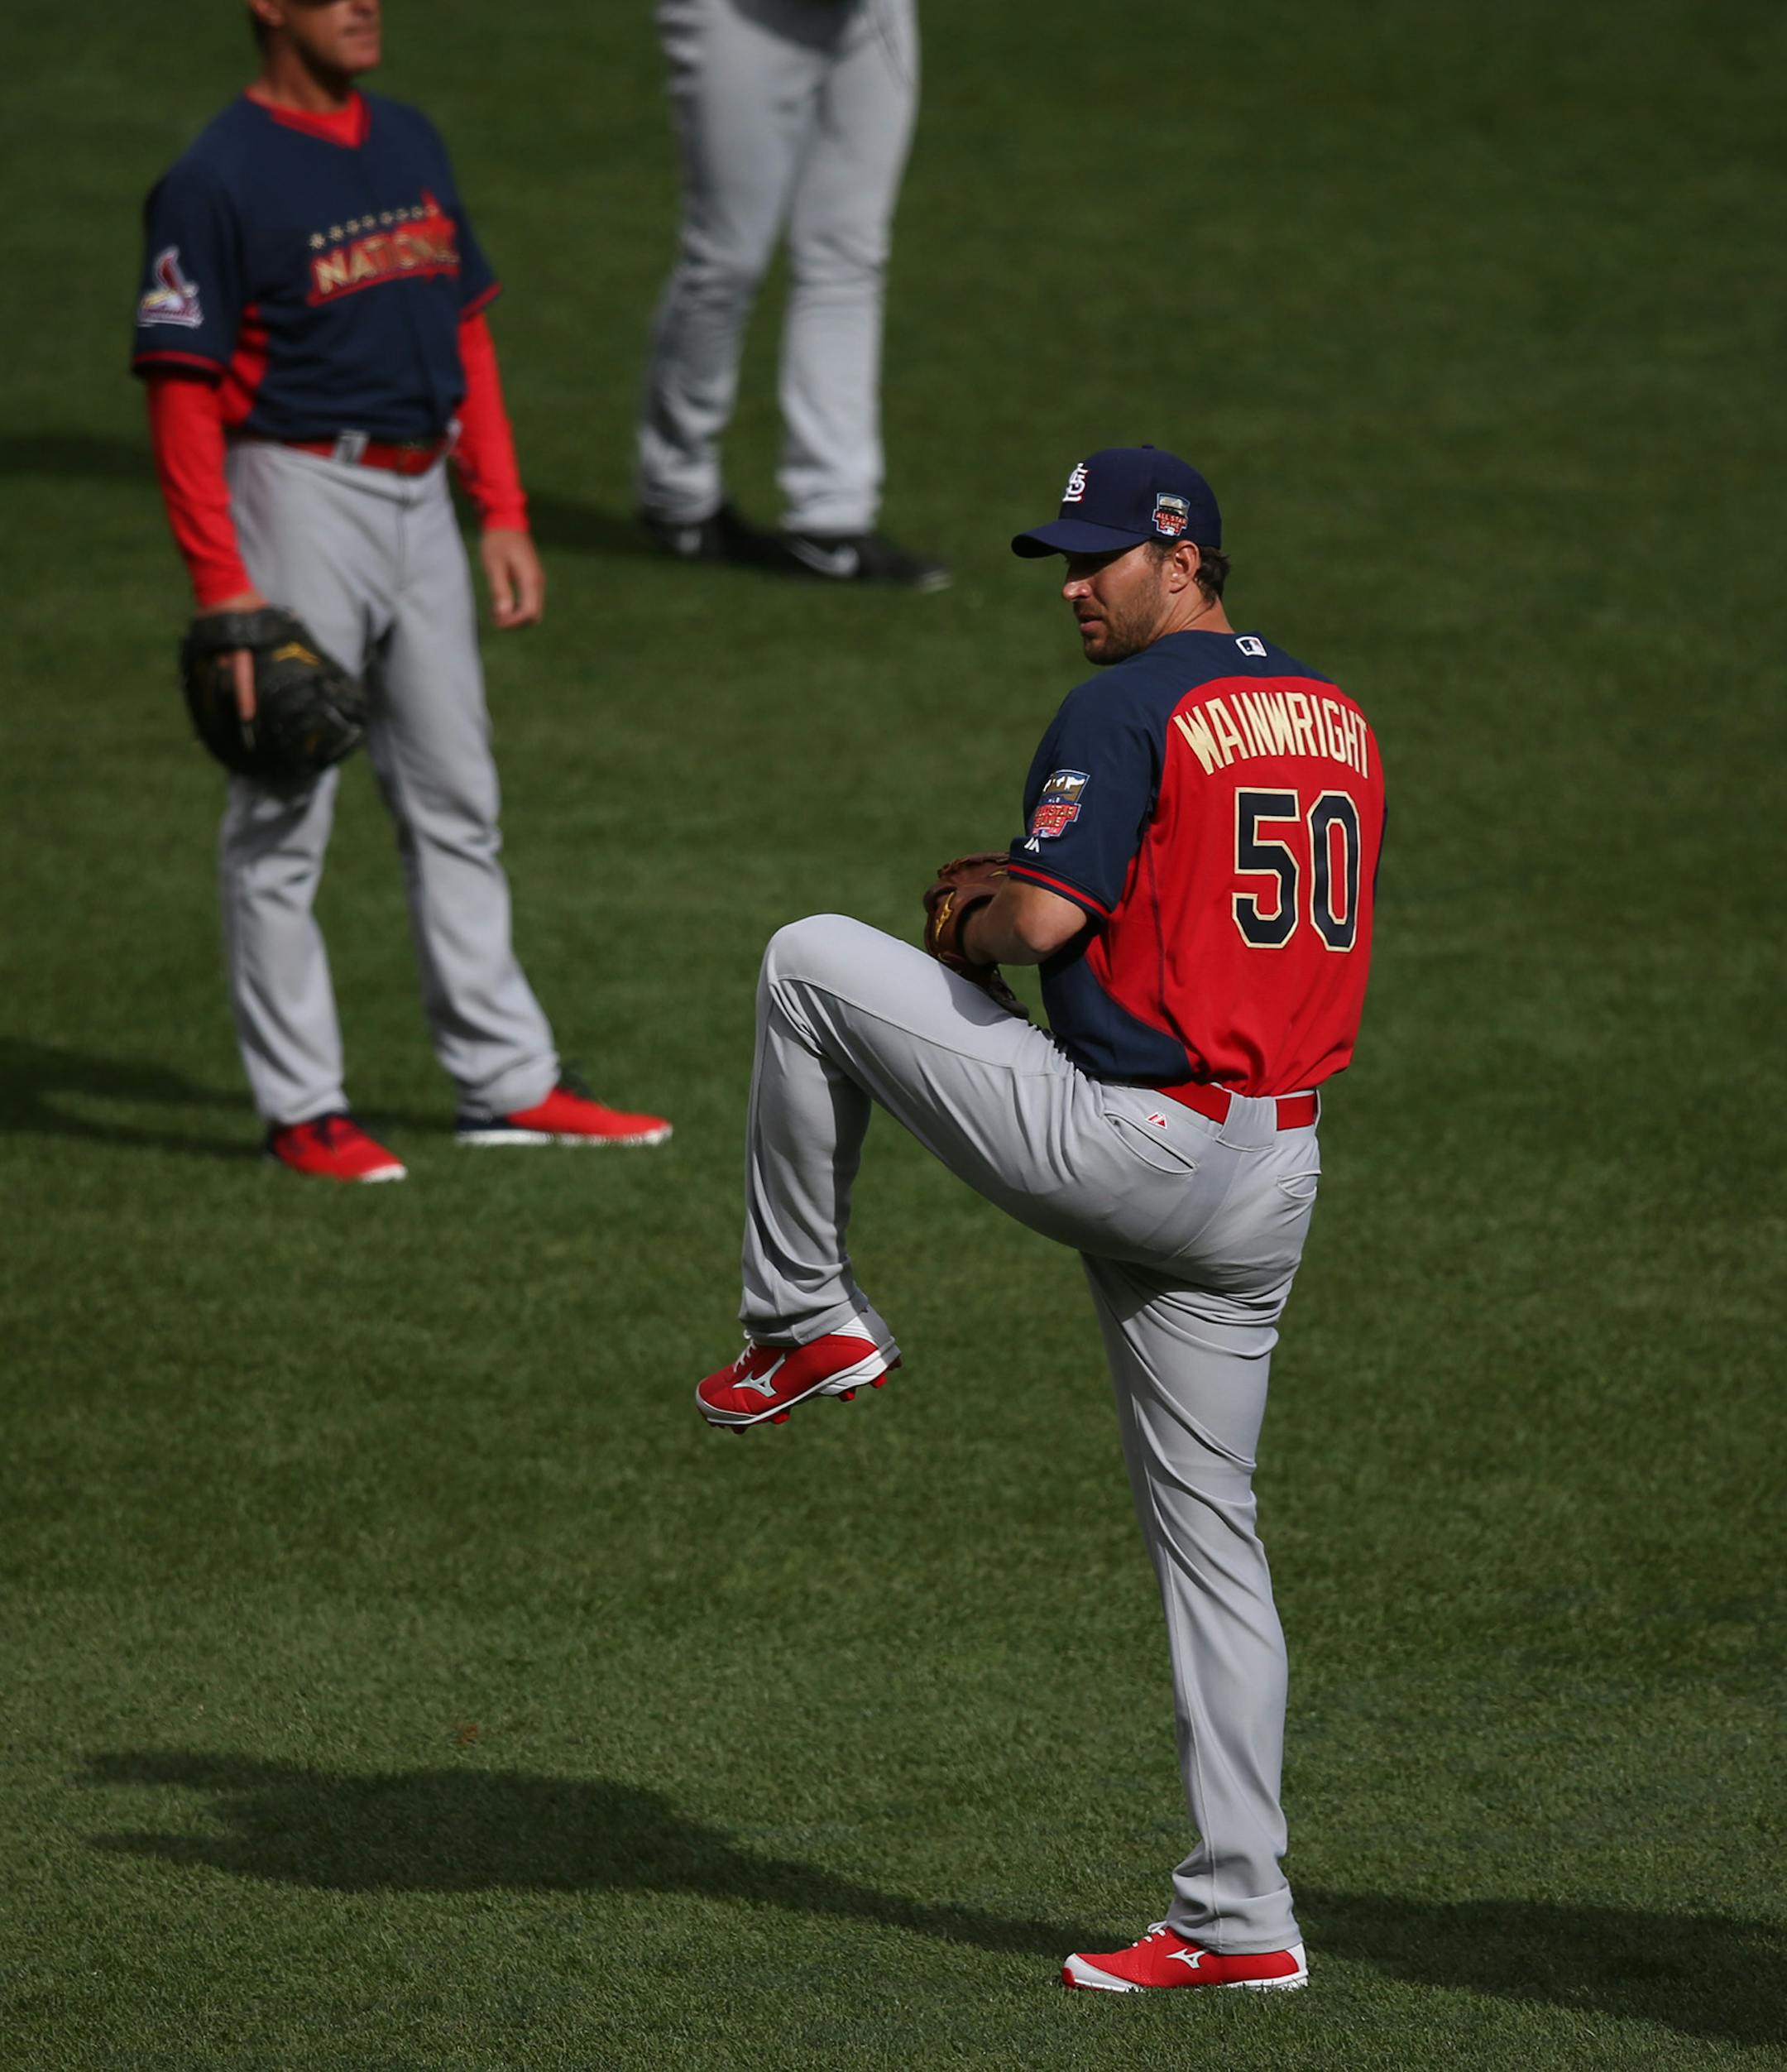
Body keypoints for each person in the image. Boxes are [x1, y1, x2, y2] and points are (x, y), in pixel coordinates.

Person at [692, 446, 1386, 1991]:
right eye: (1062, 559)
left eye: (1097, 560)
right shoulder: (1337, 713)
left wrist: (971, 921)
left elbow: (1048, 915)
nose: (1072, 584)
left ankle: (803, 1320)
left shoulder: (1127, 707)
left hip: (1138, 1139)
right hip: (1273, 1174)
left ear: (1182, 559)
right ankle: (1242, 1915)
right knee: (1216, 1544)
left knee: (810, 957)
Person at [132, 0, 669, 1182]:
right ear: (269, 5)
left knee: (456, 793)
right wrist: (222, 588)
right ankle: (303, 1107)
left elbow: (464, 333)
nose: (365, 4)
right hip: (294, 487)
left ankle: (507, 1081)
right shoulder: (213, 178)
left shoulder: (411, 137)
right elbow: (178, 393)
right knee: (283, 803)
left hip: (424, 494)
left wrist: (506, 509)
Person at [634, 0, 949, 591]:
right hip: (739, 14)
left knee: (849, 255)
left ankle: (832, 517)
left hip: (868, 17)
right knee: (726, 259)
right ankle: (676, 493)